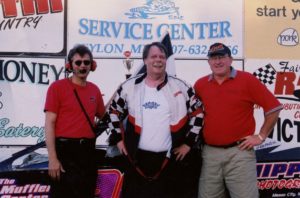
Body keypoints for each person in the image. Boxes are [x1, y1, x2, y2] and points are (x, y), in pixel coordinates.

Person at [107, 42, 204, 198]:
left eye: (162, 56)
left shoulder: (181, 86)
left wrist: (188, 143)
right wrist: (118, 139)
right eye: (153, 56)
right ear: (145, 60)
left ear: (166, 60)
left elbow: (198, 114)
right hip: (138, 160)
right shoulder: (129, 86)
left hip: (171, 160)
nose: (158, 60)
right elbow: (112, 113)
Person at [194, 42, 283, 198]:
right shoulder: (200, 85)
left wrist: (261, 136)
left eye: (222, 57)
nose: (218, 61)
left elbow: (273, 108)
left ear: (231, 59)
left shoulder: (247, 80)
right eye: (213, 58)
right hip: (210, 154)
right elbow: (195, 114)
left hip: (240, 153)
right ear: (208, 62)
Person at [44, 44, 105, 198]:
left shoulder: (95, 90)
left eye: (86, 62)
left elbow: (104, 117)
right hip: (65, 153)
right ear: (70, 65)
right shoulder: (57, 88)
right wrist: (53, 159)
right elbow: (49, 123)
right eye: (78, 62)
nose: (82, 66)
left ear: (92, 65)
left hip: (87, 153)